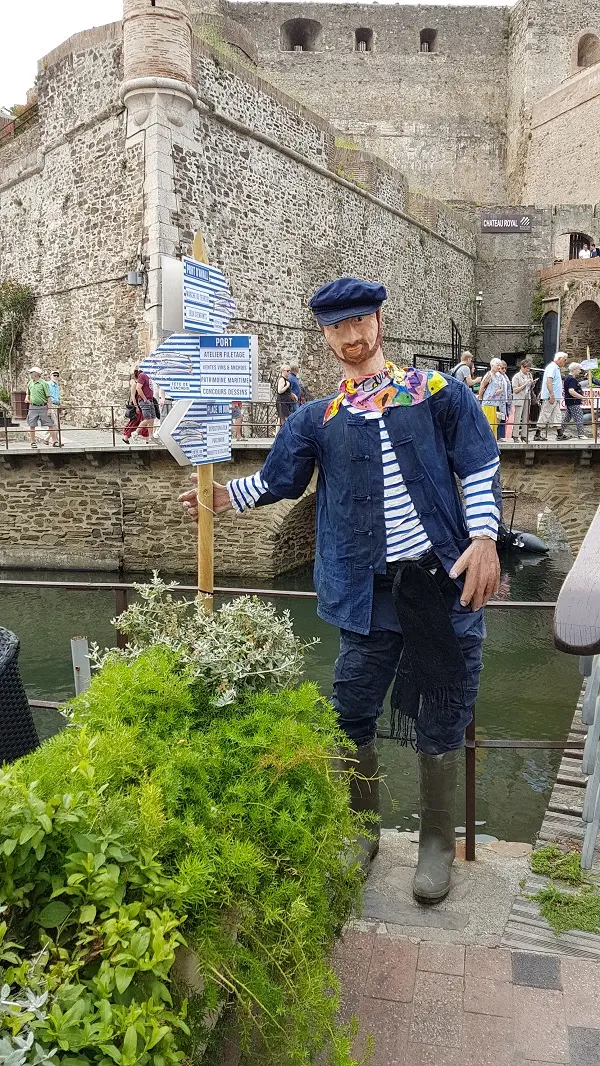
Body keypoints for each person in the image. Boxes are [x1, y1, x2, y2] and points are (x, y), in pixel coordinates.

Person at [180, 278, 501, 904]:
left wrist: (484, 537)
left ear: (379, 321)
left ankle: (436, 844)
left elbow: (478, 461)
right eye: (337, 327)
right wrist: (223, 499)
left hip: (444, 583)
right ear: (325, 336)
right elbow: (278, 483)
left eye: (360, 322)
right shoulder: (316, 418)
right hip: (366, 593)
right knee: (350, 706)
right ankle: (362, 831)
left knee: (445, 709)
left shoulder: (438, 393)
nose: (352, 337)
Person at [534, 352, 568, 442]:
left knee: (557, 415)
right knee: (545, 414)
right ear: (559, 359)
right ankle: (537, 434)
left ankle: (560, 433)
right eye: (564, 360)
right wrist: (551, 394)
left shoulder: (554, 368)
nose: (565, 362)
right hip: (551, 397)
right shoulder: (553, 368)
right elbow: (549, 381)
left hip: (555, 397)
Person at [25, 367, 58, 449]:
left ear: (36, 373)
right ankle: (33, 442)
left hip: (43, 406)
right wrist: (27, 398)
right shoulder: (30, 383)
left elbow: (48, 397)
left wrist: (49, 409)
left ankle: (55, 441)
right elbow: (27, 393)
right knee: (32, 424)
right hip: (33, 406)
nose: (30, 374)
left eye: (31, 372)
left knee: (50, 424)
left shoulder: (44, 383)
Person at [479, 358, 509, 440]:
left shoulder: (497, 376)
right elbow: (482, 385)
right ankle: (487, 439)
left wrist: (500, 390)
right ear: (492, 365)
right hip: (488, 401)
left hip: (494, 402)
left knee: (493, 422)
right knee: (489, 422)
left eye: (500, 365)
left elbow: (500, 386)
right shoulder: (489, 375)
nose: (499, 367)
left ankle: (492, 438)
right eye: (497, 365)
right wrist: (480, 397)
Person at [558, 363, 586, 440]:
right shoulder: (572, 379)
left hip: (569, 401)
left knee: (566, 418)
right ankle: (581, 434)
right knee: (579, 416)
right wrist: (582, 397)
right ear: (574, 369)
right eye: (579, 369)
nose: (580, 371)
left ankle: (560, 432)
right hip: (574, 402)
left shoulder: (567, 378)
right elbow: (571, 391)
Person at [511, 359, 534, 441]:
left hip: (527, 397)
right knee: (518, 417)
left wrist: (532, 383)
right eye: (526, 368)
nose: (528, 370)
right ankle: (515, 435)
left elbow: (530, 388)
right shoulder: (516, 376)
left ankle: (524, 435)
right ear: (522, 367)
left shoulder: (529, 375)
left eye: (529, 368)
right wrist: (525, 384)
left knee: (526, 417)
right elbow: (515, 390)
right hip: (519, 397)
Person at [276, 365, 298, 429]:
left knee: (280, 419)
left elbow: (287, 392)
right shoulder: (282, 380)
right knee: (282, 419)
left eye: (289, 371)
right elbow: (279, 391)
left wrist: (293, 395)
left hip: (285, 401)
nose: (289, 372)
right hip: (282, 401)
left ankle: (278, 435)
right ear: (283, 371)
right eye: (287, 371)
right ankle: (280, 435)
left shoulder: (286, 379)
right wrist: (287, 386)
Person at [43, 370, 61, 445]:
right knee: (55, 424)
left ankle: (46, 439)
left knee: (54, 424)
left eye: (57, 375)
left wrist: (60, 404)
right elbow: (47, 396)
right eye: (54, 375)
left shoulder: (57, 385)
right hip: (51, 405)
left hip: (56, 405)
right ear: (50, 376)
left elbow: (57, 396)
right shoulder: (48, 384)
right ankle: (55, 441)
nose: (56, 377)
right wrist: (48, 407)